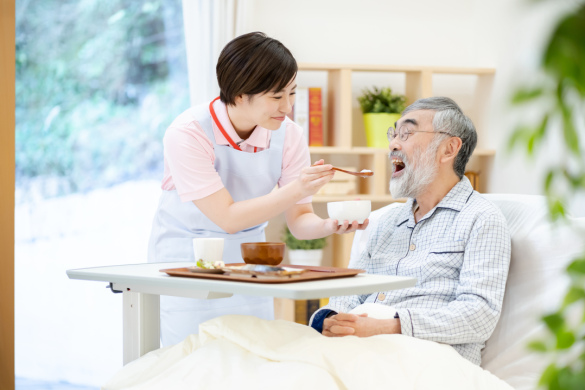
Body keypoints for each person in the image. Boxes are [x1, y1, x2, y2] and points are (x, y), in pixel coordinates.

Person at [147, 32, 367, 347]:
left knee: (252, 359)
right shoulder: (188, 133)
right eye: (276, 97)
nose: (288, 107)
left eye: (292, 94)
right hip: (187, 263)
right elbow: (227, 218)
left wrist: (330, 225)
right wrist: (297, 188)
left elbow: (299, 220)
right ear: (238, 93)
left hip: (253, 268)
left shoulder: (288, 135)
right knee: (191, 361)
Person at [309, 97, 511, 366]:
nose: (393, 144)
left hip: (428, 360)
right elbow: (347, 294)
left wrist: (388, 326)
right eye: (393, 134)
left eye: (407, 133)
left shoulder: (481, 218)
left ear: (449, 148)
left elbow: (478, 316)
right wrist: (329, 320)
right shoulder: (383, 221)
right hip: (359, 349)